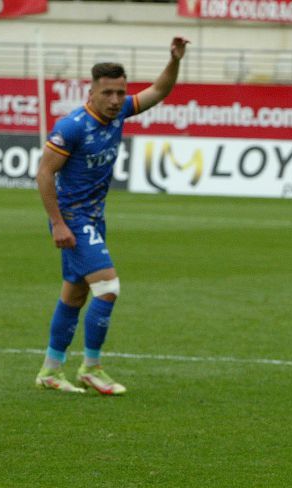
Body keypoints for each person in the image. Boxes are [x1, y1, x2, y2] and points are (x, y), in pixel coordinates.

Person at [34, 37, 189, 395]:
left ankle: (50, 370)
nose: (116, 100)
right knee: (108, 287)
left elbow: (159, 91)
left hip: (93, 218)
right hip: (72, 217)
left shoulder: (119, 112)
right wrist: (57, 223)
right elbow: (44, 173)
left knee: (74, 296)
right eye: (108, 93)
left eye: (121, 92)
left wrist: (174, 59)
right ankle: (91, 367)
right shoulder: (72, 126)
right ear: (92, 91)